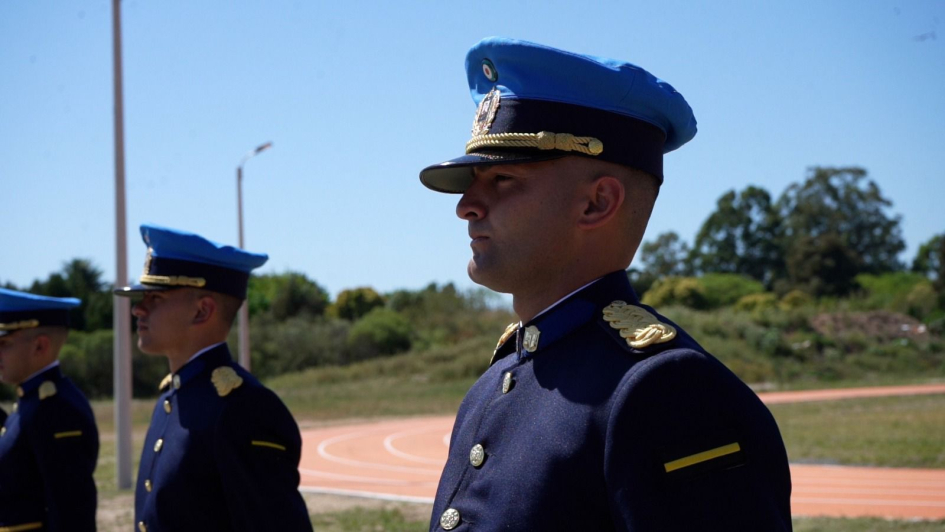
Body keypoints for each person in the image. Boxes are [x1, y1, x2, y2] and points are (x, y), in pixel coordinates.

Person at [419, 37, 792, 531]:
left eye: (503, 180)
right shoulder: (498, 381)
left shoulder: (667, 393)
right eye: (471, 183)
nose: (466, 205)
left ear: (597, 203)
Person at [115, 224, 311, 532]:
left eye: (155, 298)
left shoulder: (243, 410)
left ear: (202, 311)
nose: (138, 310)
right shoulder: (173, 398)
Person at [0, 288, 99, 531]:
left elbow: (71, 514)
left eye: (4, 343)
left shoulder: (57, 410)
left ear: (40, 346)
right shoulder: (31, 403)